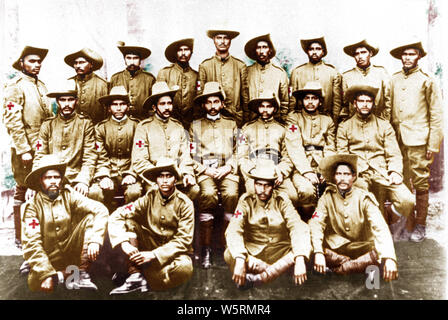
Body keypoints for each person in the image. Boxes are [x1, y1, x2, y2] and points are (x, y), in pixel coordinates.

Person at [337, 85, 415, 240]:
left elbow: (393, 153)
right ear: (354, 104)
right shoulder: (344, 127)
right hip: (357, 174)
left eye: (369, 101)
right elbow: (342, 157)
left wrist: (394, 172)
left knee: (407, 200)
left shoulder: (384, 125)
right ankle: (368, 234)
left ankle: (389, 219)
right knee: (363, 198)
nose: (365, 104)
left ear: (373, 104)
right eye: (361, 101)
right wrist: (351, 175)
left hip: (382, 172)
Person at [21, 154, 108, 292]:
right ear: (40, 180)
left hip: (71, 251)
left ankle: (81, 273)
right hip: (48, 256)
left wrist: (95, 239)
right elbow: (32, 242)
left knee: (90, 218)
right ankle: (61, 275)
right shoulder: (32, 206)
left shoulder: (68, 194)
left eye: (56, 177)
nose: (53, 181)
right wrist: (45, 272)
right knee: (38, 284)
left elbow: (100, 209)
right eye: (48, 178)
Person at [108, 158, 194, 293]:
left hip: (172, 253)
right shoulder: (150, 197)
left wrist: (154, 254)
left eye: (169, 176)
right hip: (149, 244)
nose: (164, 180)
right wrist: (123, 242)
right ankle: (136, 274)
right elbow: (118, 214)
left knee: (185, 268)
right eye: (161, 176)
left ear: (175, 179)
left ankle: (145, 278)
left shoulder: (185, 203)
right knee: (130, 222)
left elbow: (183, 240)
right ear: (156, 179)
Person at [225, 159, 311, 289]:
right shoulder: (246, 200)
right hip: (254, 254)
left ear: (273, 185)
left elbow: (297, 226)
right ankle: (278, 273)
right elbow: (234, 229)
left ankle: (260, 278)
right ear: (254, 184)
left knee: (305, 248)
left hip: (280, 251)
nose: (262, 190)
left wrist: (299, 257)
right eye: (258, 184)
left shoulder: (282, 200)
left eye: (267, 185)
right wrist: (241, 258)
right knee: (230, 254)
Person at [310, 154, 398, 281]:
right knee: (314, 247)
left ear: (354, 177)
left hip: (361, 247)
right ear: (334, 177)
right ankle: (355, 265)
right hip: (338, 246)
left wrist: (390, 257)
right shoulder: (327, 197)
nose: (342, 178)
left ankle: (342, 268)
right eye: (338, 174)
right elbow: (316, 222)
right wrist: (318, 252)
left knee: (379, 257)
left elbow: (379, 226)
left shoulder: (364, 198)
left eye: (346, 174)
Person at [389, 41, 443, 242]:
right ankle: (406, 224)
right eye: (404, 54)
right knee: (400, 183)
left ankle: (420, 225)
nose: (408, 58)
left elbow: (436, 114)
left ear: (418, 56)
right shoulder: (393, 79)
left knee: (420, 182)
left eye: (412, 54)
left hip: (419, 140)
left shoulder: (427, 80)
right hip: (397, 140)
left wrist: (432, 143)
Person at [3, 45, 53, 248]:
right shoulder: (15, 86)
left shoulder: (41, 86)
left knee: (41, 188)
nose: (37, 64)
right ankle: (20, 236)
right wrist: (23, 149)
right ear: (22, 63)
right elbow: (12, 120)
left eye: (39, 61)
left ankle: (39, 234)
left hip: (42, 146)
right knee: (23, 188)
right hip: (25, 148)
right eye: (32, 61)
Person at [189, 82, 239, 268]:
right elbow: (189, 154)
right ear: (203, 105)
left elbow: (240, 150)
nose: (212, 106)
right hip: (205, 171)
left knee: (232, 195)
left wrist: (228, 167)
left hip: (227, 170)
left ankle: (225, 246)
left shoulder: (231, 124)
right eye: (208, 102)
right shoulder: (195, 126)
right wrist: (204, 169)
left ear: (222, 104)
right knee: (208, 195)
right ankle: (206, 249)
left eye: (216, 102)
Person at [238, 92, 311, 207]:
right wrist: (251, 170)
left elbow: (288, 156)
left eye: (269, 107)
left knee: (292, 196)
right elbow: (242, 156)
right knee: (253, 194)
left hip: (276, 170)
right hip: (255, 170)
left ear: (275, 109)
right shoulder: (247, 129)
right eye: (262, 106)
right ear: (257, 108)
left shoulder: (282, 129)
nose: (265, 110)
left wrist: (281, 172)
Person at [131, 81, 199, 200]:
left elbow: (185, 155)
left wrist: (187, 173)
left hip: (176, 178)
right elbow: (139, 160)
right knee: (154, 193)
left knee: (195, 189)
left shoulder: (178, 126)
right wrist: (157, 177)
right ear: (154, 107)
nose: (167, 107)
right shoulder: (144, 127)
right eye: (162, 104)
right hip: (154, 180)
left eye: (169, 103)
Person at [34, 81, 97, 198]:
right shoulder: (47, 125)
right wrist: (34, 183)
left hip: (76, 177)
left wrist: (83, 180)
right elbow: (39, 155)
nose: (66, 104)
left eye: (70, 100)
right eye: (63, 100)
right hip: (52, 178)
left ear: (76, 101)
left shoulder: (85, 124)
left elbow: (90, 156)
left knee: (92, 195)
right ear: (57, 102)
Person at [286, 81, 336, 220]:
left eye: (314, 98)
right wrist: (306, 171)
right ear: (302, 101)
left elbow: (330, 147)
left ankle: (329, 226)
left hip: (323, 164)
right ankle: (309, 223)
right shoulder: (294, 118)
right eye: (307, 98)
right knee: (306, 190)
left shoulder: (327, 120)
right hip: (302, 167)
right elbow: (294, 146)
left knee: (335, 188)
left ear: (320, 102)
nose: (310, 102)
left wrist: (327, 169)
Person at [89, 86, 142, 209]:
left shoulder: (137, 126)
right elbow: (100, 155)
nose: (118, 108)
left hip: (130, 170)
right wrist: (104, 175)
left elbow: (139, 154)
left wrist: (132, 173)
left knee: (134, 192)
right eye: (114, 104)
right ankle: (102, 223)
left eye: (122, 104)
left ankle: (130, 222)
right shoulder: (100, 128)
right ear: (108, 108)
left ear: (128, 107)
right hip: (108, 170)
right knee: (94, 193)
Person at [198, 29, 249, 127]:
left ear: (230, 41)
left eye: (226, 38)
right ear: (214, 40)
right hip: (211, 119)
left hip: (236, 118)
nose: (222, 41)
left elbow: (245, 96)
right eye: (219, 38)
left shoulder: (240, 66)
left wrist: (245, 121)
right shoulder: (205, 66)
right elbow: (200, 95)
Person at [289, 36, 342, 122]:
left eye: (318, 49)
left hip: (326, 120)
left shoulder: (332, 72)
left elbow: (337, 102)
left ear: (323, 51)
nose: (314, 52)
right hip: (302, 120)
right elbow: (292, 101)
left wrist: (334, 122)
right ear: (307, 52)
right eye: (311, 49)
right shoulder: (297, 72)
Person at [338, 39, 391, 123]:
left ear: (370, 53)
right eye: (356, 54)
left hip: (377, 123)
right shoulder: (347, 76)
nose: (360, 56)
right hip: (355, 124)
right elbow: (345, 105)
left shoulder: (381, 72)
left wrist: (384, 122)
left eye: (363, 52)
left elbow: (388, 101)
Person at [244, 34, 289, 122]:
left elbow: (285, 102)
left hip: (273, 123)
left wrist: (282, 121)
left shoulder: (280, 73)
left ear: (270, 50)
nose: (261, 51)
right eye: (258, 48)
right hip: (251, 122)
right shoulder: (247, 72)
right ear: (255, 51)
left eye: (264, 47)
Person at [157, 38, 198, 128]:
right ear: (175, 53)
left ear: (191, 52)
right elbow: (157, 100)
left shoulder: (196, 76)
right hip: (169, 122)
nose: (183, 53)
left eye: (186, 50)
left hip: (192, 123)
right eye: (180, 50)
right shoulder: (164, 73)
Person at [109, 41, 155, 120]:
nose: (132, 62)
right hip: (122, 123)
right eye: (129, 58)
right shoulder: (115, 78)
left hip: (143, 121)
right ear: (124, 59)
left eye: (135, 58)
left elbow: (153, 104)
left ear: (140, 60)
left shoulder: (149, 79)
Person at [64, 47, 108, 124]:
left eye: (81, 62)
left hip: (94, 130)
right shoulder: (69, 82)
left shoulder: (102, 84)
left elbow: (106, 113)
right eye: (75, 63)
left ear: (91, 64)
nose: (78, 66)